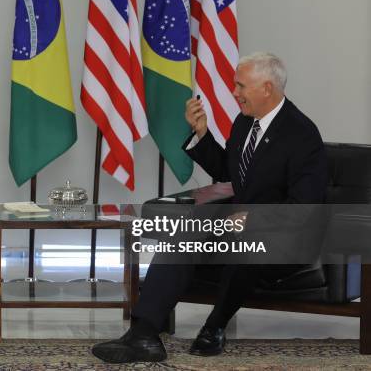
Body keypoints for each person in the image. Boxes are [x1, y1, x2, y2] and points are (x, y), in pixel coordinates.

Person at [92, 52, 328, 363]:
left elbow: (305, 207)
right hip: (238, 226)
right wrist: (203, 133)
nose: (234, 92)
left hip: (283, 237)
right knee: (182, 235)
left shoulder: (302, 134)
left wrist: (253, 219)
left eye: (241, 86)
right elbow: (230, 172)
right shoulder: (245, 123)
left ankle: (214, 327)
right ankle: (144, 334)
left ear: (267, 88)